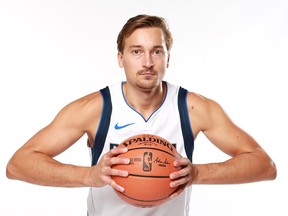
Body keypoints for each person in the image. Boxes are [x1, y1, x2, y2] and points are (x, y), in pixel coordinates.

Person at [6, 14, 277, 216]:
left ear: (167, 58)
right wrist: (90, 176)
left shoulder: (192, 108)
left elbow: (264, 165)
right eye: (137, 52)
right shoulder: (95, 109)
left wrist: (195, 173)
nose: (147, 62)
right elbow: (18, 165)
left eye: (156, 51)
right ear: (120, 58)